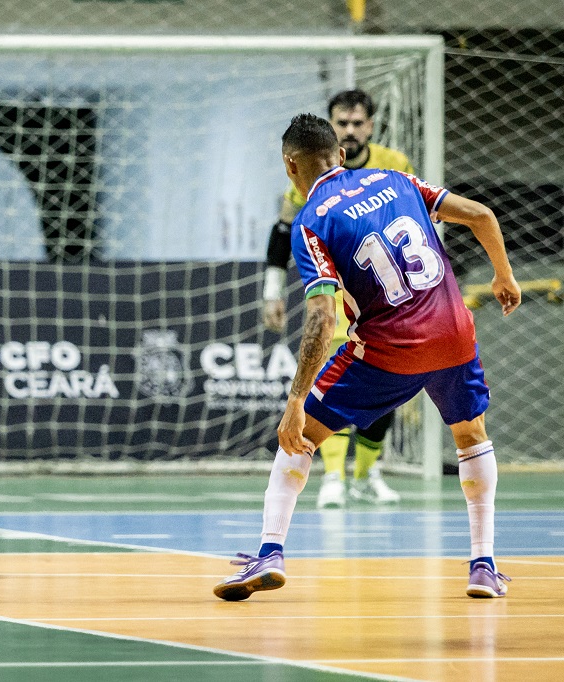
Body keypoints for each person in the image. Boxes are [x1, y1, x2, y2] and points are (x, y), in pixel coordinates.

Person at [215, 113, 520, 602]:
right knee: (470, 436)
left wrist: (295, 399)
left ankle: (269, 552)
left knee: (300, 438)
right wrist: (503, 276)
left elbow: (320, 318)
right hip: (453, 335)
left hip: (386, 351)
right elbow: (482, 215)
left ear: (291, 167)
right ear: (339, 154)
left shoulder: (311, 221)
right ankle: (483, 565)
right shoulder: (396, 179)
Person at [262, 90, 411, 508]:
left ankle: (366, 474)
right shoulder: (306, 177)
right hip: (339, 296)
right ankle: (331, 476)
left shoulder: (394, 165)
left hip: (390, 297)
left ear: (369, 126)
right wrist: (272, 289)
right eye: (341, 123)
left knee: (386, 388)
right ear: (331, 130)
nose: (350, 129)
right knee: (332, 383)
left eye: (357, 122)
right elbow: (282, 232)